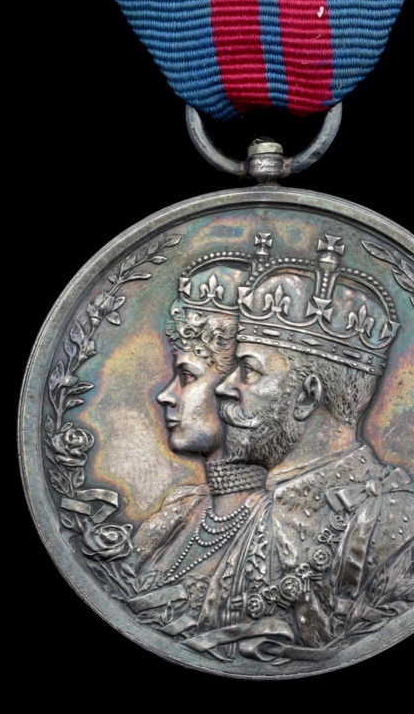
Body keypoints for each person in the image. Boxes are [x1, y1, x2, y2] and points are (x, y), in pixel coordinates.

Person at [183, 232, 414, 661]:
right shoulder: (249, 507)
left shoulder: (394, 519)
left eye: (248, 372)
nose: (225, 388)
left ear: (308, 396)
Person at [126, 254, 267, 634]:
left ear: (234, 388)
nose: (166, 396)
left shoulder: (280, 525)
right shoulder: (182, 508)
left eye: (187, 376)